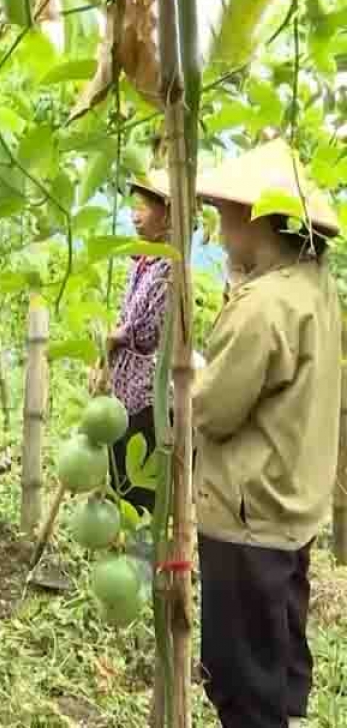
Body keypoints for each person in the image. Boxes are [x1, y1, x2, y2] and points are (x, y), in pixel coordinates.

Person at [192, 139, 341, 728]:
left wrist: (192, 382)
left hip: (247, 516)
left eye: (227, 214)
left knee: (238, 677)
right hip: (291, 507)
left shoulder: (264, 307)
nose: (221, 227)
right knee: (277, 661)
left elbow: (215, 411)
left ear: (257, 219)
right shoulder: (316, 288)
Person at [107, 170, 172, 515]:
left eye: (144, 206)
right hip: (123, 395)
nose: (135, 214)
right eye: (135, 206)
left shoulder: (170, 268)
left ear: (168, 212)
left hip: (149, 398)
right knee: (119, 481)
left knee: (138, 496)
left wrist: (115, 337)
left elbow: (148, 331)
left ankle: (140, 562)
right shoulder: (142, 263)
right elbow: (126, 319)